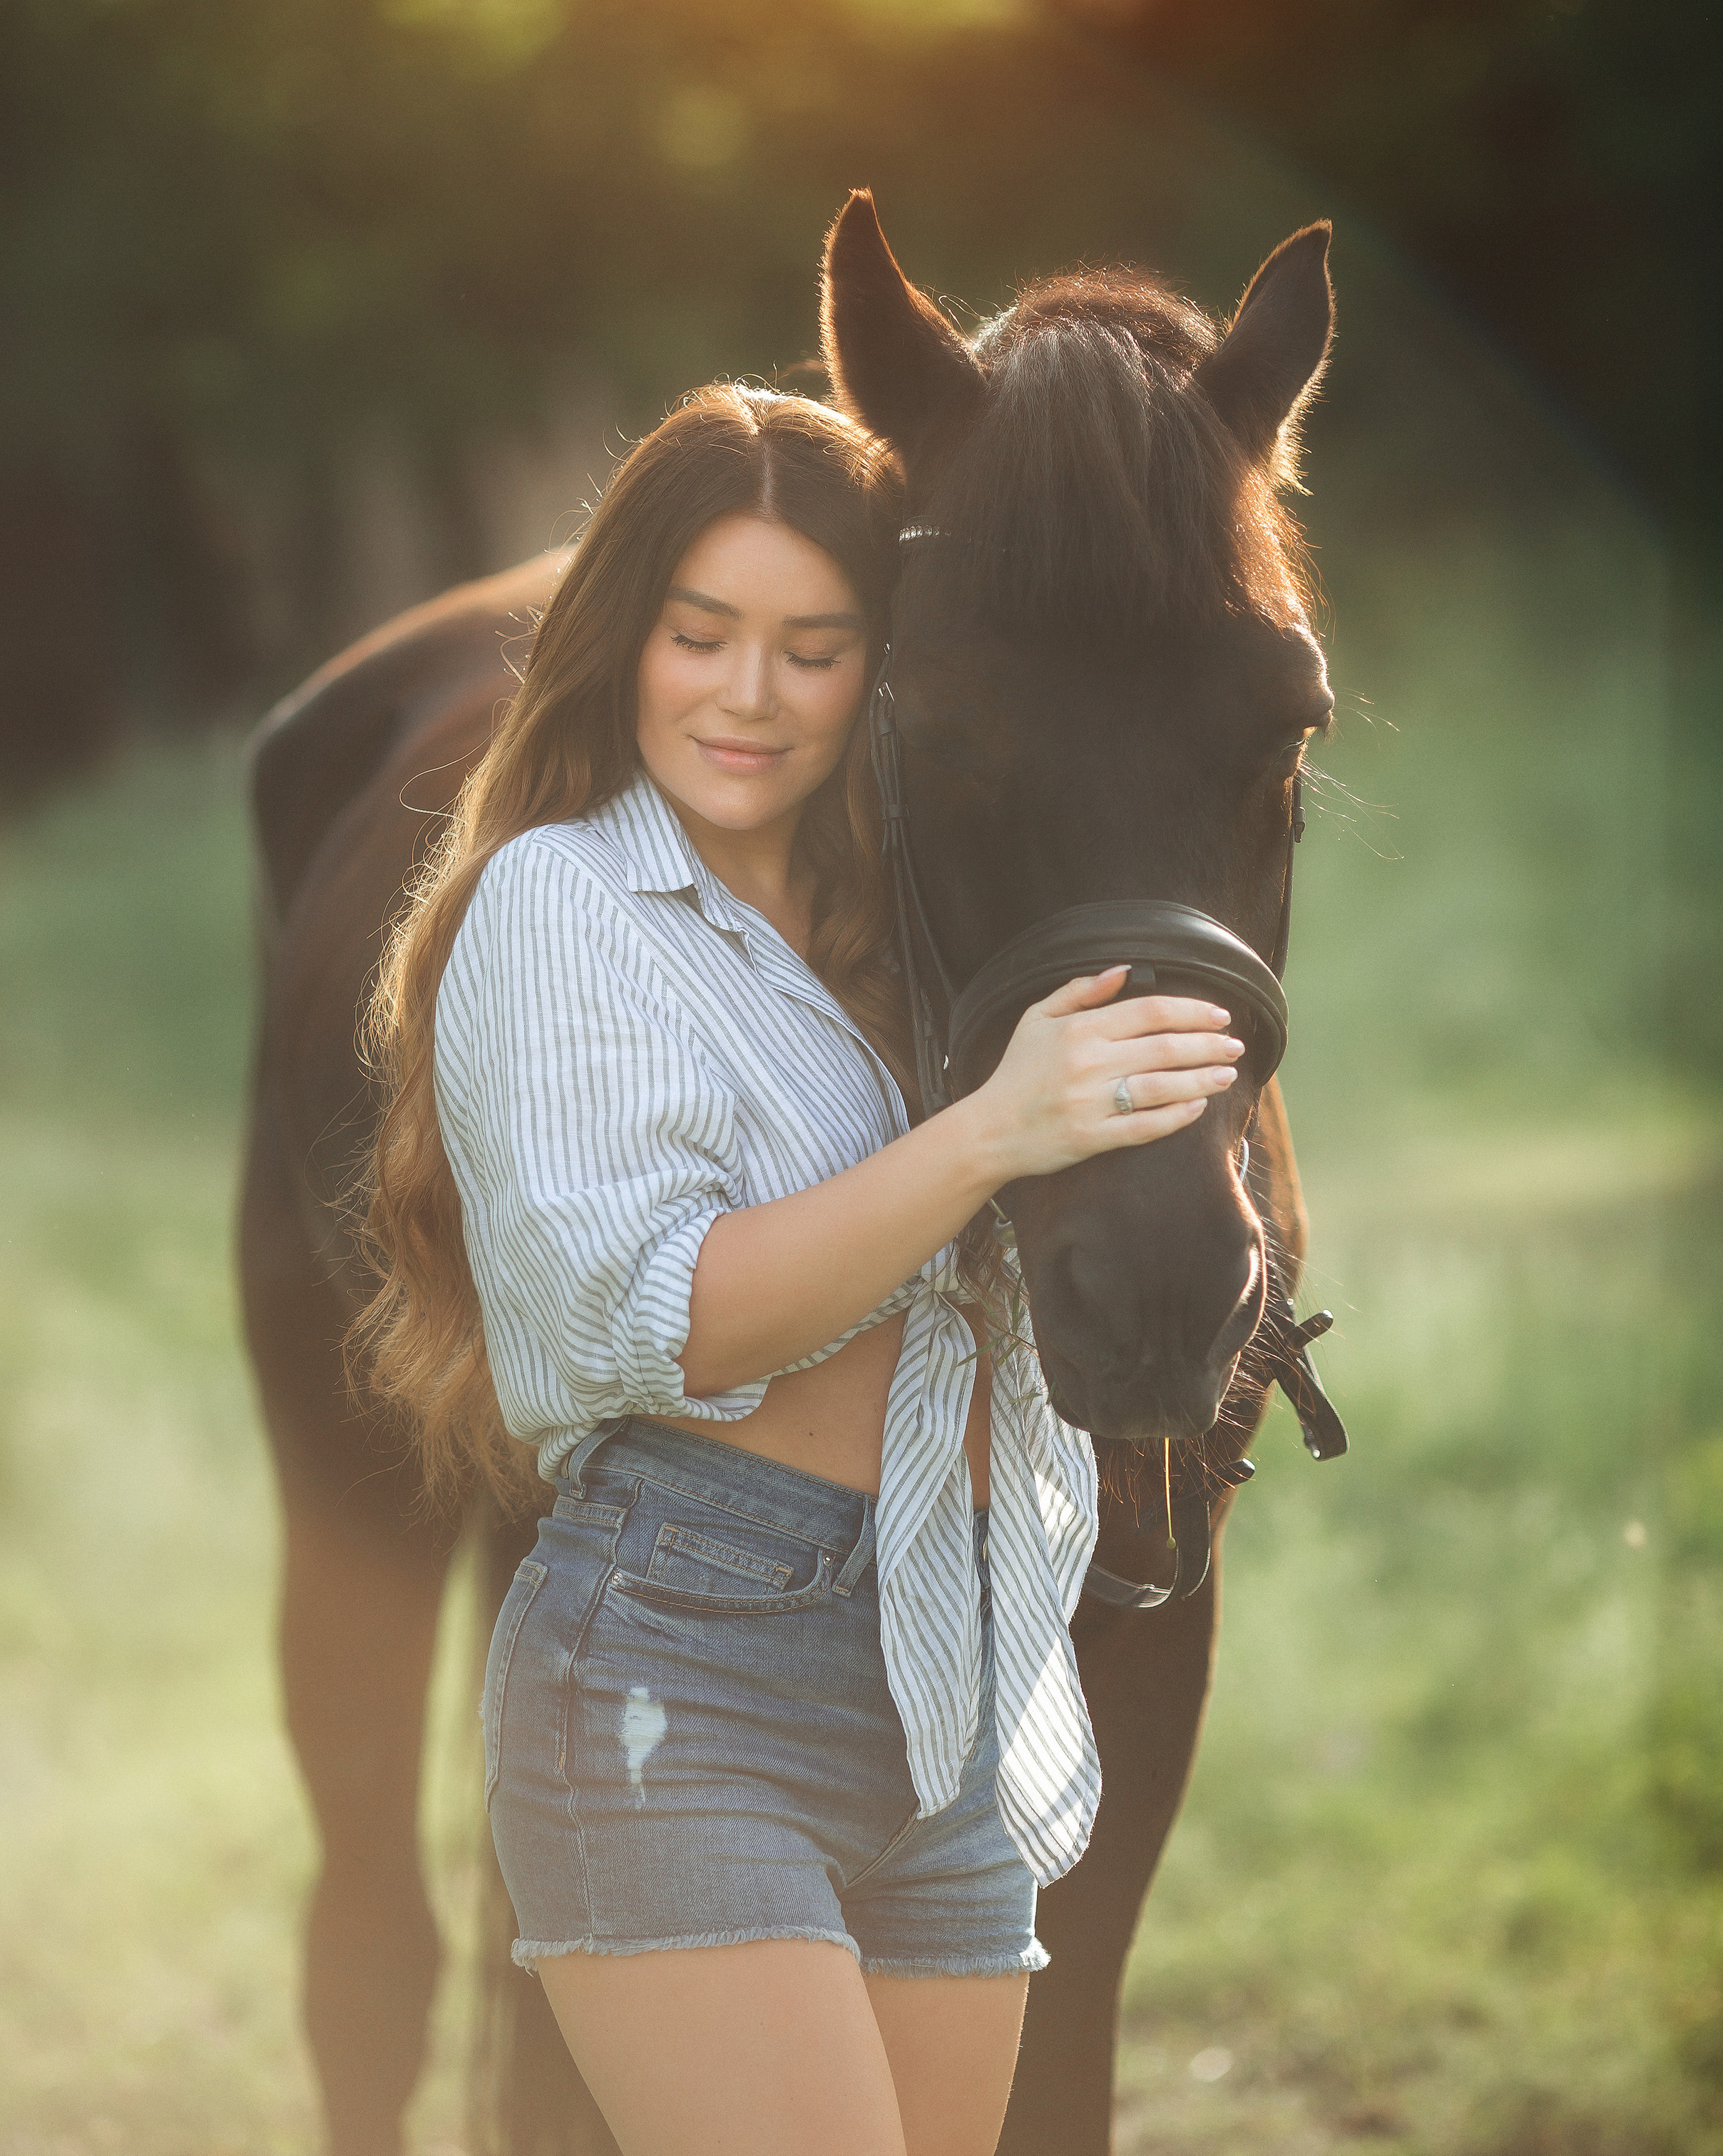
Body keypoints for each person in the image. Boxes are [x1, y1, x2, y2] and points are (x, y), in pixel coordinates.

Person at [358, 383, 1242, 2156]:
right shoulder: (561, 910)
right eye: (701, 636)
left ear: (881, 674)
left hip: (956, 1665)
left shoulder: (911, 943)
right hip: (685, 1671)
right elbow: (660, 1318)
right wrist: (986, 1134)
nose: (748, 697)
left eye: (812, 648)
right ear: (626, 644)